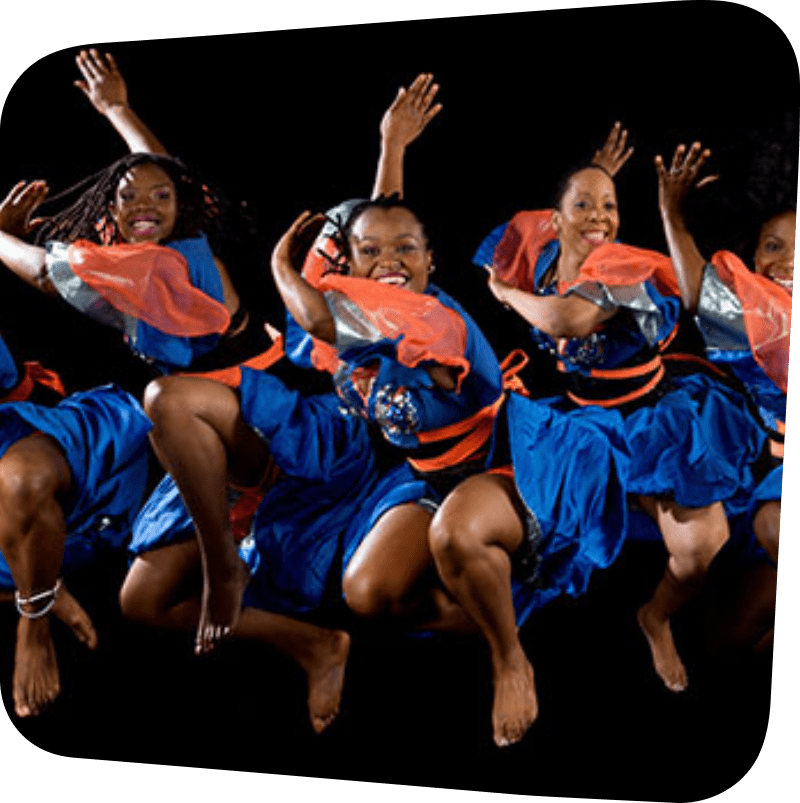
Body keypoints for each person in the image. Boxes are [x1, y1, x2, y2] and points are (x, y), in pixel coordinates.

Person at [272, 195, 630, 747]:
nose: (389, 260)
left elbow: (319, 314)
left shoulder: (431, 319)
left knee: (454, 534)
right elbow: (373, 237)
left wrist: (279, 265)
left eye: (406, 249)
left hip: (511, 462)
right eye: (371, 252)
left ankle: (510, 659)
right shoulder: (368, 308)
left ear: (430, 260)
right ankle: (493, 610)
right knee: (367, 593)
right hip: (435, 478)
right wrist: (391, 149)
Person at [478, 139, 766, 694]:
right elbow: (526, 235)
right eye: (584, 207)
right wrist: (592, 178)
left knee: (700, 549)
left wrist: (502, 294)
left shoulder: (621, 268)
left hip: (653, 420)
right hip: (583, 424)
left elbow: (568, 320)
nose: (601, 218)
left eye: (610, 206)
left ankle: (654, 617)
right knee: (550, 541)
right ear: (554, 219)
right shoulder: (535, 257)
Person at [655, 141, 792, 650]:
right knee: (728, 636)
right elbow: (696, 294)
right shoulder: (756, 320)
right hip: (765, 475)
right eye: (773, 245)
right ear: (754, 258)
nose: (787, 257)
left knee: (774, 521)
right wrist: (673, 215)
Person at [0, 384, 152, 717]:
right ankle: (42, 584)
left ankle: (34, 620)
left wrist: (33, 610)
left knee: (20, 478)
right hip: (53, 542)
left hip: (87, 456)